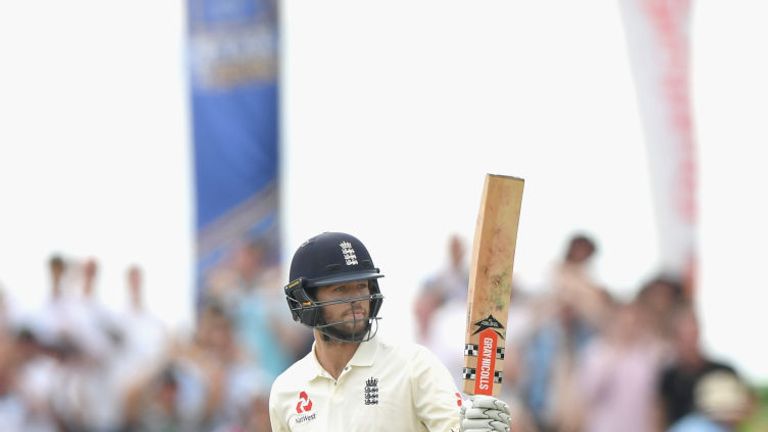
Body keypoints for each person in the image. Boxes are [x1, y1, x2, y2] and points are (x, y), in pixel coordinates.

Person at [268, 232, 513, 432]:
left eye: (362, 286)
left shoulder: (414, 366)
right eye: (341, 290)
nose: (357, 300)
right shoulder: (286, 390)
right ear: (304, 300)